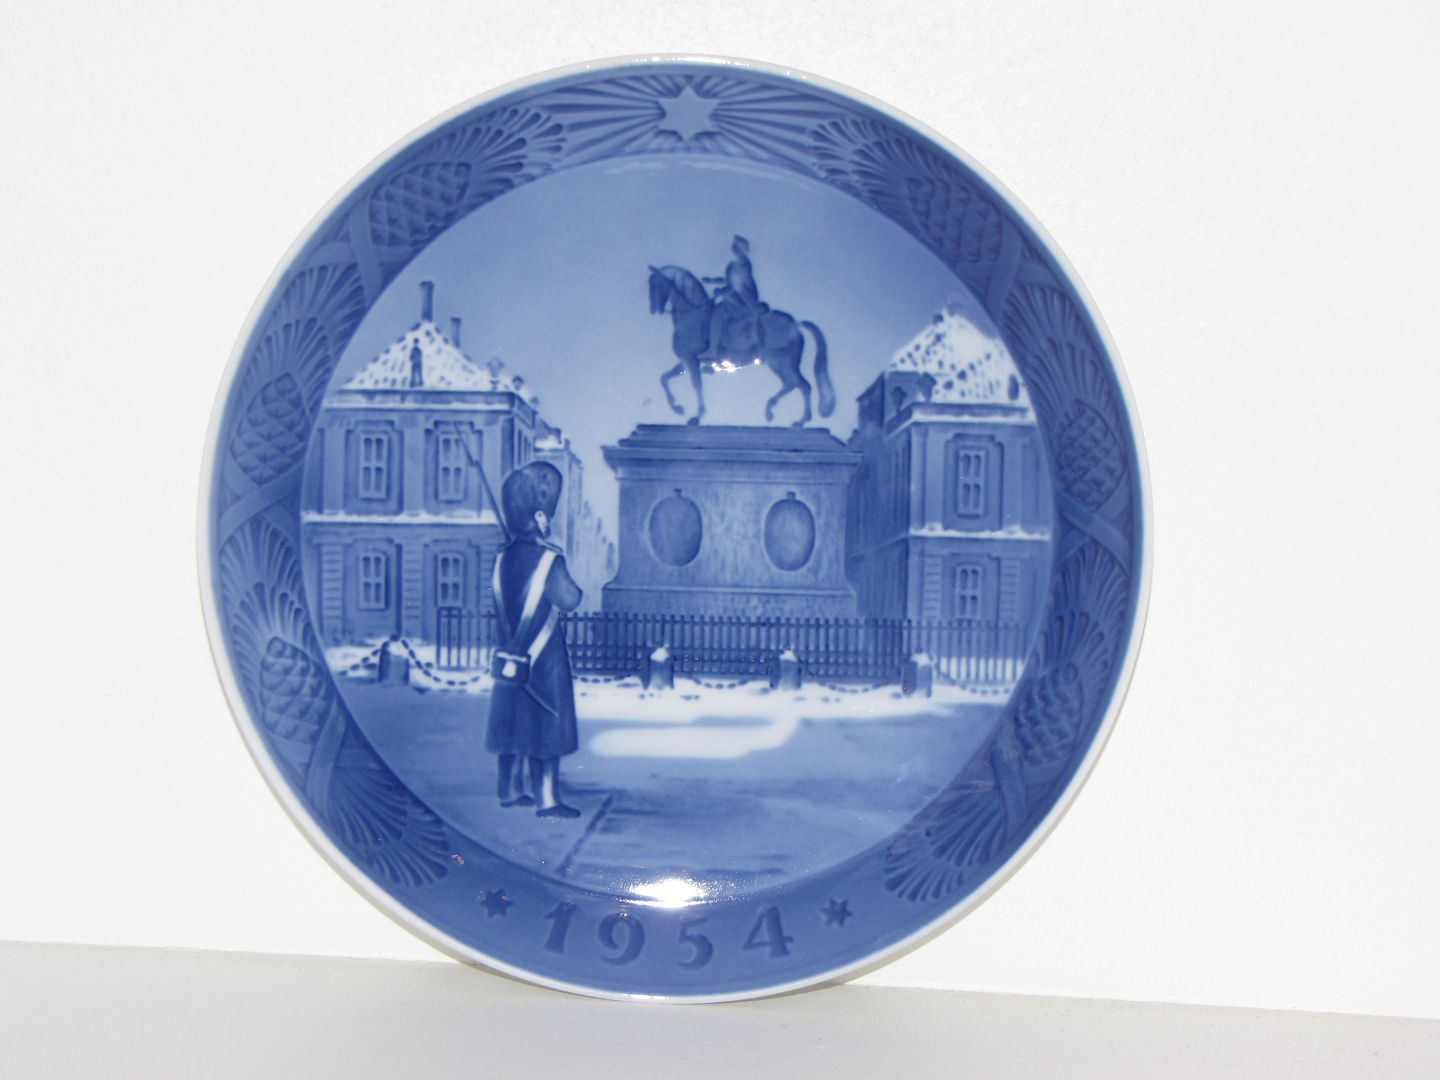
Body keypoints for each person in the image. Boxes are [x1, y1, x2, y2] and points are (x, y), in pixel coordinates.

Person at [484, 462, 583, 819]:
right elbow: (570, 599)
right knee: (546, 728)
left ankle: (509, 790)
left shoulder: (501, 558)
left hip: (510, 656)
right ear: (540, 515)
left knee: (511, 723)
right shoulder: (548, 559)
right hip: (544, 660)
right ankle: (547, 799)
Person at [699, 234, 766, 363]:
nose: (734, 248)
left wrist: (721, 291)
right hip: (736, 295)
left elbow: (737, 285)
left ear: (742, 249)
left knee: (718, 312)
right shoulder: (733, 265)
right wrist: (712, 281)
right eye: (734, 245)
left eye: (737, 246)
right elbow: (728, 281)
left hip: (745, 299)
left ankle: (712, 349)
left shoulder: (743, 264)